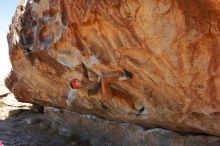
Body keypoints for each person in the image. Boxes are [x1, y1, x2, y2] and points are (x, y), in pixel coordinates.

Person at [69, 69, 145, 116]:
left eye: (76, 80)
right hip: (105, 96)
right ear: (77, 87)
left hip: (107, 90)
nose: (78, 81)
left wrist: (81, 61)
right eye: (76, 82)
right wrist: (99, 81)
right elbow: (94, 91)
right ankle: (125, 77)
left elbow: (84, 70)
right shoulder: (82, 92)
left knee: (126, 96)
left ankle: (136, 111)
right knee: (104, 80)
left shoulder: (83, 81)